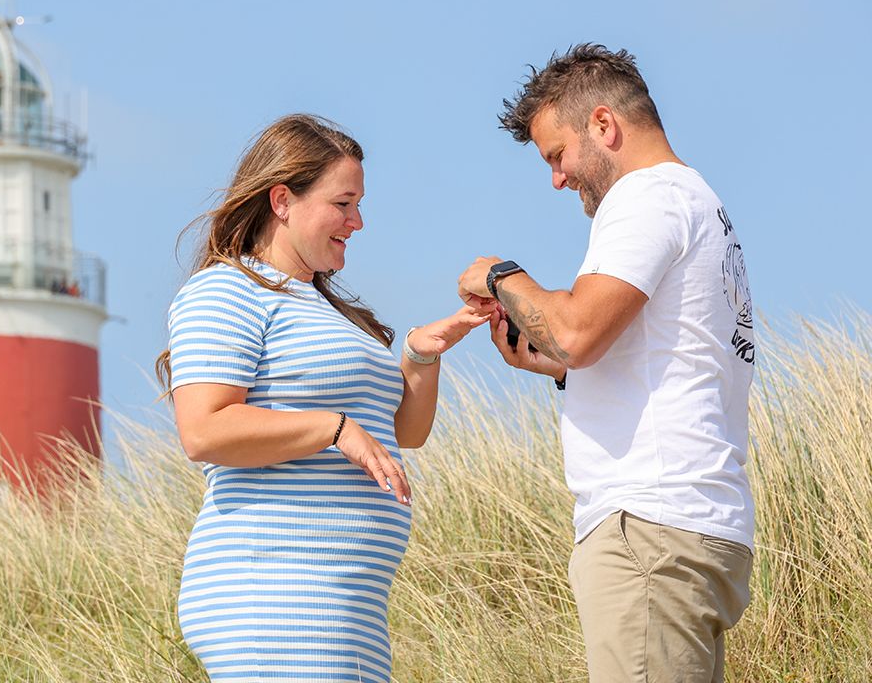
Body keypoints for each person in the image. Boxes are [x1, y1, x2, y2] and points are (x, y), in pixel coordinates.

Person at [457, 44, 756, 682]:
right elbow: (662, 355)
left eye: (557, 156)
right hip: (694, 521)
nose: (559, 179)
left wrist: (500, 275)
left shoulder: (646, 198)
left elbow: (575, 328)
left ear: (603, 125)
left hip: (649, 528)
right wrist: (559, 367)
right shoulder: (698, 202)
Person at [158, 114, 491, 682]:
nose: (358, 221)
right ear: (283, 200)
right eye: (343, 203)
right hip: (273, 591)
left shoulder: (327, 308)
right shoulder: (226, 289)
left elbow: (401, 436)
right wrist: (332, 428)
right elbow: (204, 431)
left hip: (345, 603)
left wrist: (420, 354)